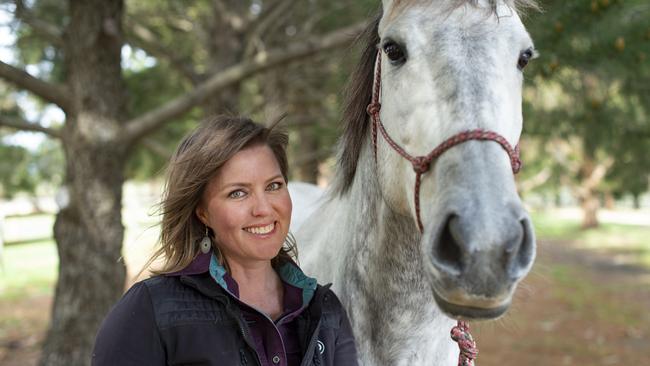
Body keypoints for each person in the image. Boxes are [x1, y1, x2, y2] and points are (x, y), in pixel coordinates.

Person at [92, 116, 358, 366]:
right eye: (238, 193)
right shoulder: (151, 309)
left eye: (274, 186)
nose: (263, 209)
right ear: (203, 212)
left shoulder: (325, 310)